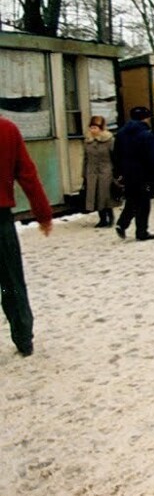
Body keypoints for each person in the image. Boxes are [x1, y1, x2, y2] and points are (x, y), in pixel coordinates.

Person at [0, 115, 53, 356]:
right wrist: (42, 213)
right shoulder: (7, 129)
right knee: (11, 281)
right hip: (1, 221)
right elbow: (28, 175)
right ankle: (23, 337)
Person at [114, 106, 154, 241]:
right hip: (143, 173)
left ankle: (122, 223)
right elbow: (151, 156)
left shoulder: (121, 133)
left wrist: (119, 171)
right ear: (146, 118)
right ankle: (141, 231)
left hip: (128, 172)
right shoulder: (146, 134)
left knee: (132, 199)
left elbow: (116, 154)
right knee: (144, 203)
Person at [82, 115, 116, 228]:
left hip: (106, 170)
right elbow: (85, 158)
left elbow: (115, 156)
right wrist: (84, 173)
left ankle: (110, 216)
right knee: (95, 195)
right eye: (91, 127)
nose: (92, 130)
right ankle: (102, 218)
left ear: (101, 128)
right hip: (92, 171)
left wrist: (116, 171)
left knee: (105, 195)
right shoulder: (88, 141)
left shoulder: (109, 140)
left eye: (95, 128)